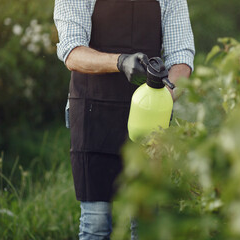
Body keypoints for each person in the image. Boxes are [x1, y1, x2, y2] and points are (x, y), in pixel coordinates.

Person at [53, 0, 195, 239]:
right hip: (93, 112)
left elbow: (181, 55)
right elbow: (71, 50)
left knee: (146, 221)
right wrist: (120, 62)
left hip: (150, 118)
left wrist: (163, 98)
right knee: (96, 223)